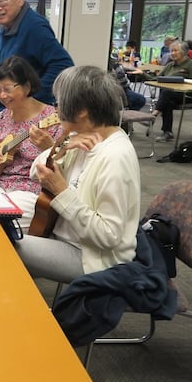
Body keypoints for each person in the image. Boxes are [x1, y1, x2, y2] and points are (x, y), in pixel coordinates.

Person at [15, 66, 141, 283]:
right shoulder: (81, 137)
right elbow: (36, 172)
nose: (56, 110)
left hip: (93, 258)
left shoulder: (115, 156)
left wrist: (61, 191)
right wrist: (61, 147)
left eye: (59, 103)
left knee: (4, 245)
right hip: (66, 235)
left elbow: (107, 236)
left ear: (81, 110)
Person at [0, 57, 62, 229]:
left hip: (30, 190)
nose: (2, 96)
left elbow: (66, 166)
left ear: (27, 87)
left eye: (7, 89)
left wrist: (48, 148)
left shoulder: (53, 119)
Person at [149, 39, 192, 142]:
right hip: (170, 96)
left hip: (187, 95)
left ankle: (153, 114)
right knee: (167, 101)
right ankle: (167, 132)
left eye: (175, 50)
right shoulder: (170, 65)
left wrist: (181, 82)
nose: (172, 53)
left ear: (184, 52)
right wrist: (142, 74)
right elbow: (157, 78)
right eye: (171, 51)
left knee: (167, 93)